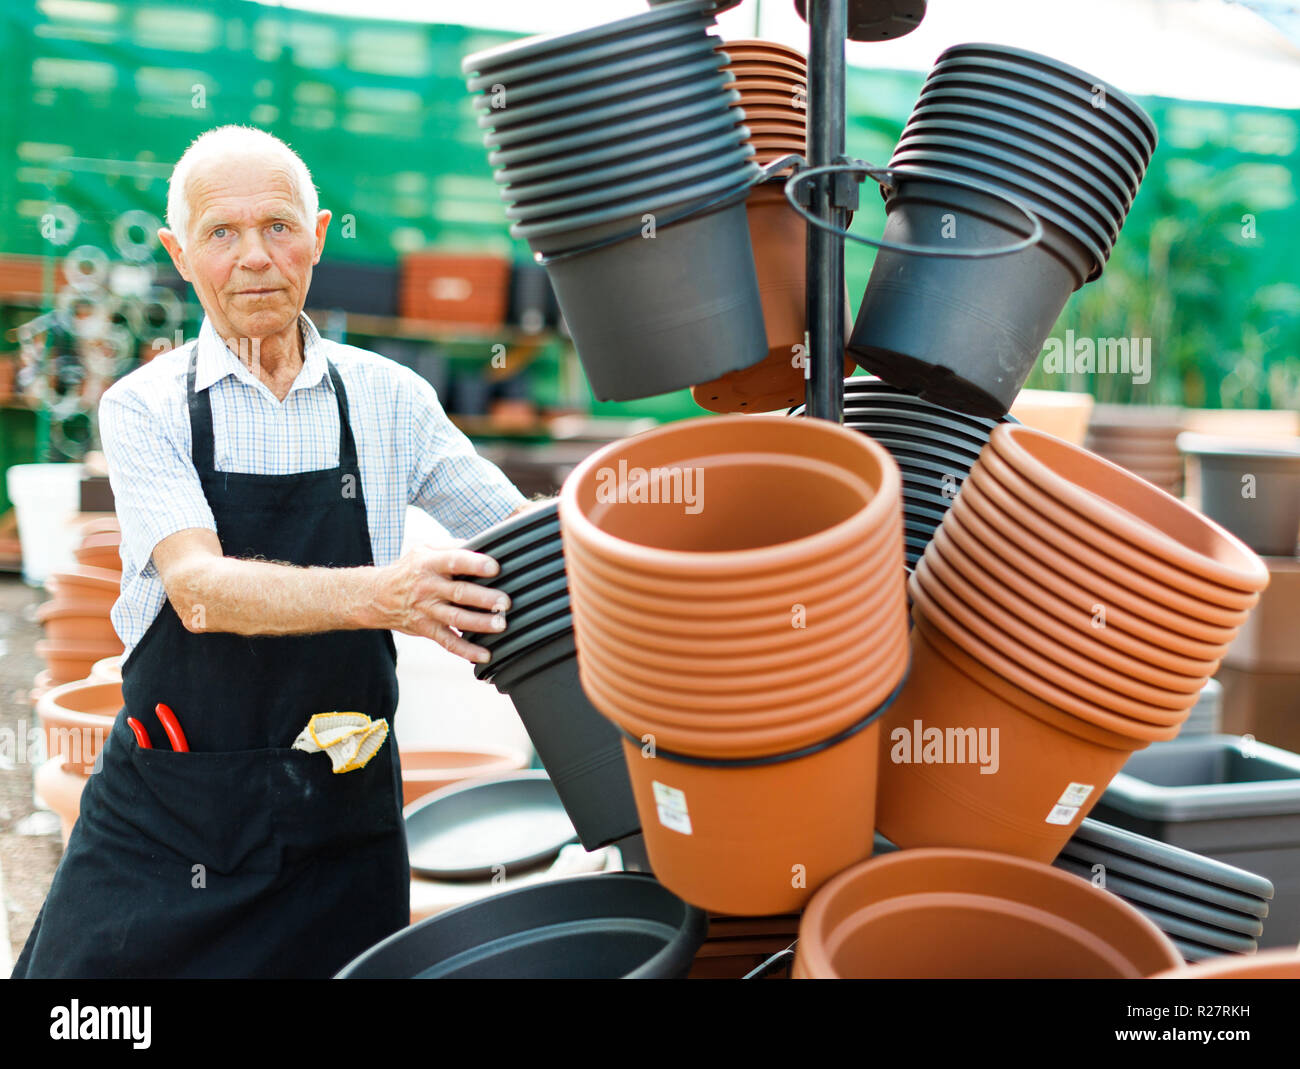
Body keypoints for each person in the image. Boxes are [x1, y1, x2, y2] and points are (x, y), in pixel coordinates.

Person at [14, 125, 535, 978]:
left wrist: (622, 517)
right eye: (222, 233)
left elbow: (515, 533)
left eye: (279, 227)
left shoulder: (390, 399)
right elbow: (200, 593)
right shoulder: (146, 408)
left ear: (320, 237)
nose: (255, 257)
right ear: (180, 254)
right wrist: (389, 595)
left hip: (340, 825)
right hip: (172, 818)